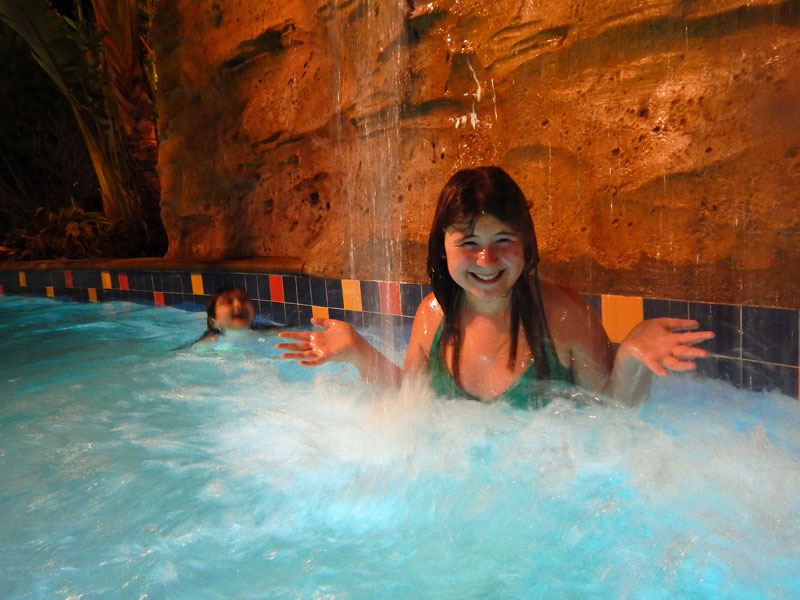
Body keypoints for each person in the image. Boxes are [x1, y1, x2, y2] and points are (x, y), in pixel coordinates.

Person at [277, 167, 713, 406]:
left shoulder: (563, 317)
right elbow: (411, 403)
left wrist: (632, 356)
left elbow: (611, 420)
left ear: (526, 244)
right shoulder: (432, 316)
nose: (486, 261)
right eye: (468, 243)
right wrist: (357, 349)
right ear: (442, 249)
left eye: (502, 240)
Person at [198, 286, 279, 341]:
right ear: (213, 321)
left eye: (243, 299)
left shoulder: (276, 333)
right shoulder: (203, 347)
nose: (239, 305)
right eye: (228, 302)